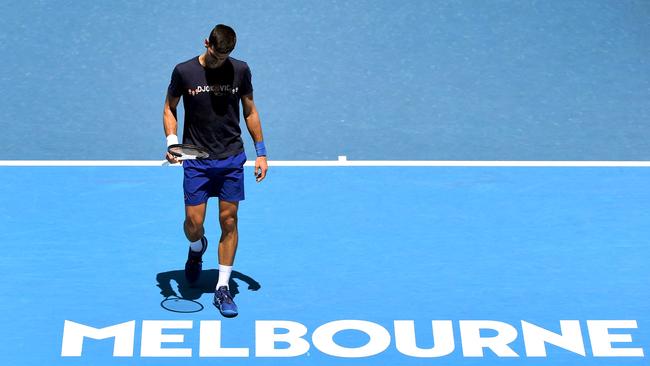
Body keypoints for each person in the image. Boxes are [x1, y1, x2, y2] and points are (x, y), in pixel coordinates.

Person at [163, 24, 268, 317]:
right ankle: (197, 249)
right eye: (215, 54)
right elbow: (170, 108)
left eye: (225, 56)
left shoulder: (241, 70)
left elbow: (250, 110)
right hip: (196, 160)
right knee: (193, 225)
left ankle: (222, 288)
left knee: (229, 220)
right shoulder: (184, 71)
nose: (219, 60)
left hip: (231, 158)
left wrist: (261, 153)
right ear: (206, 43)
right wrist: (173, 143)